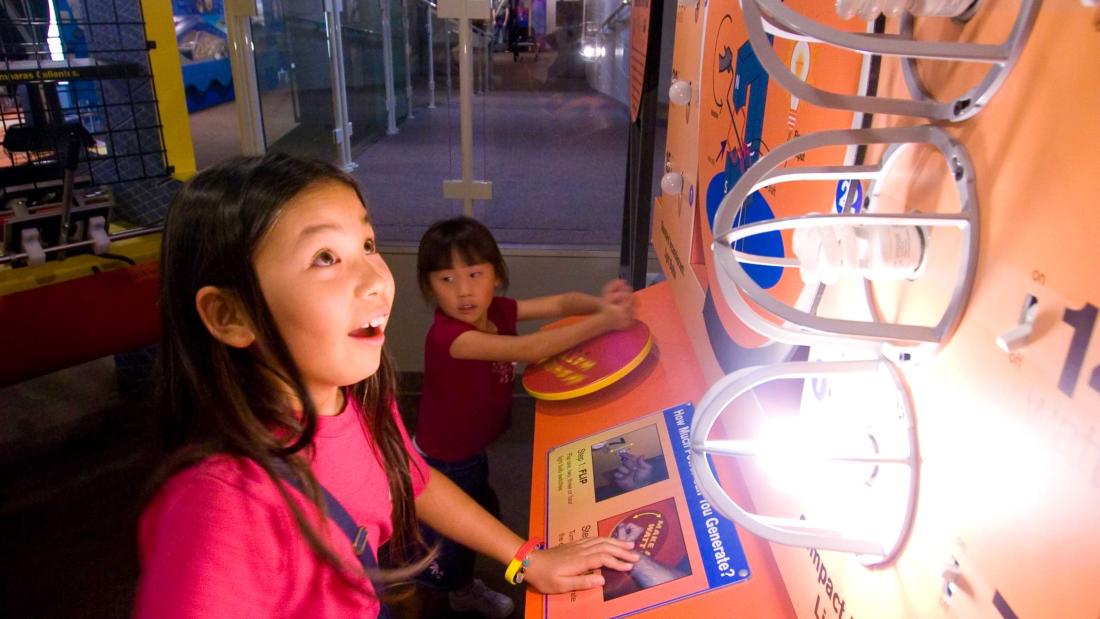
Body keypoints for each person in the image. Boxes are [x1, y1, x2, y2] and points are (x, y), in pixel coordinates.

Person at [132, 154, 640, 618]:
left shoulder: (353, 400)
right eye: (325, 257)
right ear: (231, 314)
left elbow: (413, 477)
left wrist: (527, 560)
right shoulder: (217, 513)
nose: (376, 279)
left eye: (368, 245)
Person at [413, 215, 636, 616]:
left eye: (474, 274)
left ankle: (461, 577)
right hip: (442, 460)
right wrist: (605, 321)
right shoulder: (451, 338)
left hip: (470, 450)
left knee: (484, 513)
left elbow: (564, 302)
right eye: (446, 279)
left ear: (496, 276)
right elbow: (534, 349)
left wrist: (602, 306)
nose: (463, 290)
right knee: (450, 539)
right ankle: (452, 588)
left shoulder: (497, 311)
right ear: (430, 288)